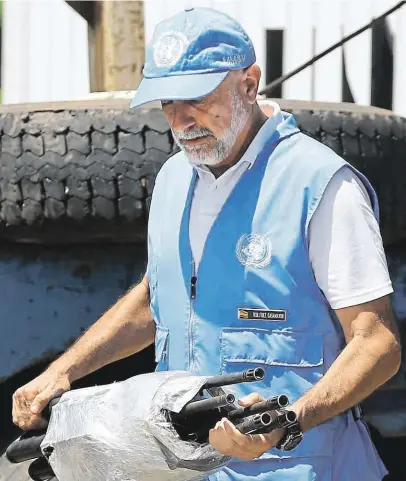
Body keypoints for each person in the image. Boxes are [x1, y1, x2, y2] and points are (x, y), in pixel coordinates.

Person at [13, 7, 401, 481]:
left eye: (196, 98)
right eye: (167, 104)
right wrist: (65, 370)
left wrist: (287, 422)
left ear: (249, 83)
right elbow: (158, 297)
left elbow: (377, 342)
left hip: (303, 468)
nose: (181, 121)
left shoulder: (321, 185)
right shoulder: (176, 178)